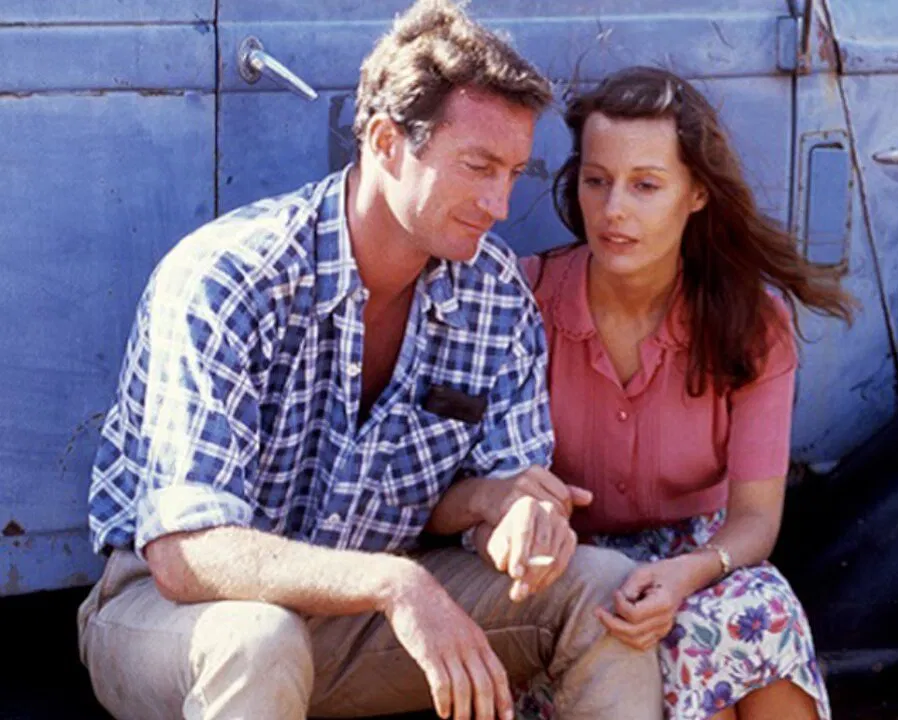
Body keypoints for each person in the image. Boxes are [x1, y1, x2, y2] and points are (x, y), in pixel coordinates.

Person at [75, 3, 663, 719]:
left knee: (603, 589)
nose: (500, 205)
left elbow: (495, 496)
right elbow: (184, 555)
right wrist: (392, 584)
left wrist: (513, 513)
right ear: (386, 141)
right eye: (478, 167)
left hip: (369, 623)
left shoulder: (496, 291)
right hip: (184, 619)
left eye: (513, 173)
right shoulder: (229, 278)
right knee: (258, 640)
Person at [500, 66, 857, 719]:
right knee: (668, 639)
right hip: (569, 562)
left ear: (696, 193)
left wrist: (688, 573)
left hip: (699, 555)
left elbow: (755, 519)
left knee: (755, 612)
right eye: (597, 181)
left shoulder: (752, 322)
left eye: (645, 185)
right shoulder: (528, 301)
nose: (613, 210)